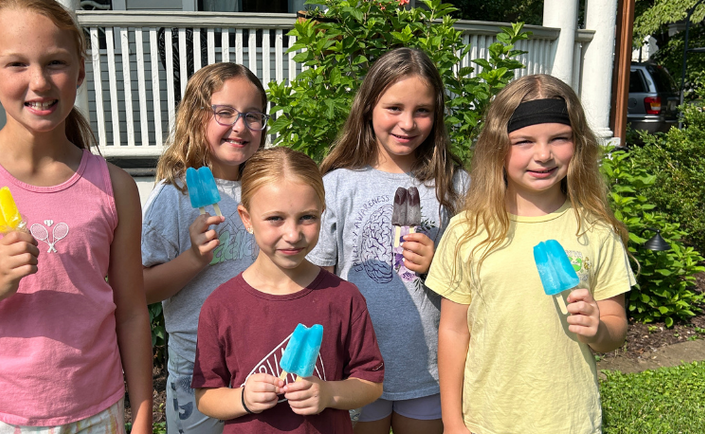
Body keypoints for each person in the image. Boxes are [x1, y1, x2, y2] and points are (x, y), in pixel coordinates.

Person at [0, 0, 152, 434]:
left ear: (80, 70)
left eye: (55, 62)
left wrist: (142, 417)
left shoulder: (115, 187)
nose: (39, 82)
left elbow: (132, 312)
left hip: (100, 412)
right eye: (16, 64)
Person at [427, 75, 635, 434]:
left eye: (559, 138)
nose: (543, 155)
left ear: (578, 143)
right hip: (488, 420)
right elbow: (453, 331)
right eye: (524, 141)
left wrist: (598, 328)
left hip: (569, 420)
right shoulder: (467, 232)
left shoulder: (596, 230)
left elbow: (616, 325)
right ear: (497, 148)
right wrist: (452, 421)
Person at [312, 47, 466, 434]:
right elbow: (317, 282)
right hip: (354, 368)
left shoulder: (455, 185)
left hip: (429, 365)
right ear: (368, 107)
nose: (408, 123)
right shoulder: (337, 185)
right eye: (394, 108)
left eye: (422, 111)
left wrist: (438, 263)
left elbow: (477, 280)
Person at [194, 147, 385, 433]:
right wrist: (243, 398)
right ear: (246, 218)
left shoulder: (344, 297)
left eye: (307, 217)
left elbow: (371, 382)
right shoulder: (221, 305)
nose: (293, 234)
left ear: (322, 213)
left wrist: (329, 393)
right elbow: (205, 396)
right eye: (275, 218)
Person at [142, 63, 268, 434]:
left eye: (252, 116)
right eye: (225, 113)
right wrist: (194, 259)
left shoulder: (266, 190)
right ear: (197, 118)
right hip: (198, 363)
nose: (240, 126)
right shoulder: (176, 195)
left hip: (262, 355)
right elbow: (142, 288)